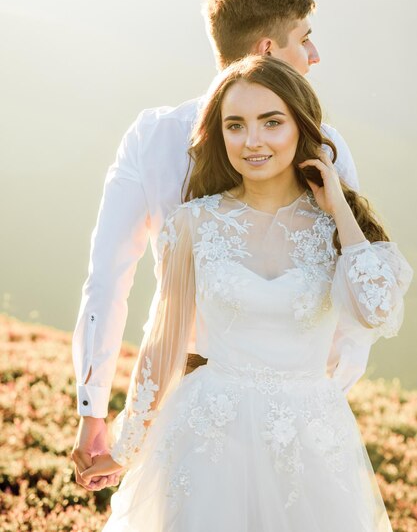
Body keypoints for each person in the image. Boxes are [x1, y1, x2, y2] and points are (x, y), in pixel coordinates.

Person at [80, 55, 412, 531]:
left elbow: (378, 311)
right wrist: (124, 447)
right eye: (235, 125)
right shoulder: (194, 222)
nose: (252, 141)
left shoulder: (336, 225)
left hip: (311, 441)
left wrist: (338, 205)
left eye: (271, 122)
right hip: (207, 435)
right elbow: (164, 343)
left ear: (300, 126)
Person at [71, 0, 364, 492]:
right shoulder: (327, 145)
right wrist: (318, 397)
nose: (314, 54)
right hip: (214, 407)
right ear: (267, 47)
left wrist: (92, 409)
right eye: (304, 38)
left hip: (257, 408)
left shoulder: (153, 134)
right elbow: (349, 322)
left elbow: (108, 276)